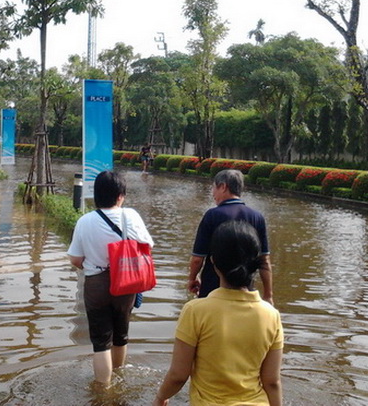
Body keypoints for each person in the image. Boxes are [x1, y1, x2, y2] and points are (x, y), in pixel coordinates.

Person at [153, 220, 283, 405]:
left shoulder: (196, 311)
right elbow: (272, 382)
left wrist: (160, 397)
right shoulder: (271, 315)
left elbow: (178, 375)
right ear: (255, 263)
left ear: (213, 261)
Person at [67, 170, 154, 385]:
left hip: (96, 283)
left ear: (96, 195)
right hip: (126, 282)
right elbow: (148, 247)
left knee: (100, 342)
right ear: (120, 195)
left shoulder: (84, 221)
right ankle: (120, 379)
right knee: (121, 335)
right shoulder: (131, 216)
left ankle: (103, 390)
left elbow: (75, 259)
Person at [187, 169, 273, 304]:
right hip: (246, 290)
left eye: (214, 187)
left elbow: (198, 258)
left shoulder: (212, 216)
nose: (212, 193)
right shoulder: (257, 217)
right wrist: (268, 295)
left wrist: (192, 278)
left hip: (213, 288)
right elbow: (264, 260)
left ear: (223, 187)